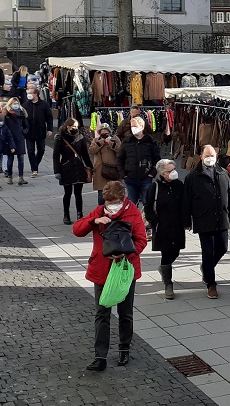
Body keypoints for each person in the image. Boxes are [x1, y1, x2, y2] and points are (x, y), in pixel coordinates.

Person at [73, 180, 147, 371]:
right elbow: (77, 230)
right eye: (108, 202)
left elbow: (141, 240)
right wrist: (93, 221)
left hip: (124, 270)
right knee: (102, 313)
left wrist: (126, 253)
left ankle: (124, 349)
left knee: (125, 313)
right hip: (102, 270)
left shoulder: (132, 213)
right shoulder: (99, 211)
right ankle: (100, 356)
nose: (111, 206)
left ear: (123, 198)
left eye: (114, 201)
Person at [182, 145, 230, 299]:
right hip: (203, 219)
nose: (210, 158)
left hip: (222, 218)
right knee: (208, 252)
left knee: (223, 248)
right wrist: (186, 221)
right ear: (201, 157)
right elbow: (186, 201)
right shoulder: (192, 177)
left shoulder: (223, 173)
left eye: (212, 155)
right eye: (207, 155)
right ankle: (211, 284)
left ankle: (206, 268)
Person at [144, 158, 188, 300]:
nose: (174, 172)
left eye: (174, 169)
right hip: (162, 226)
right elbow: (148, 207)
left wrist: (186, 221)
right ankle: (168, 283)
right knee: (166, 254)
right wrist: (154, 222)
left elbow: (185, 203)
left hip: (177, 225)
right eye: (170, 171)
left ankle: (164, 268)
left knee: (176, 252)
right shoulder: (155, 187)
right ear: (163, 173)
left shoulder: (179, 185)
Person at [53, 118, 92, 225]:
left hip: (78, 168)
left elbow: (85, 154)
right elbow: (56, 156)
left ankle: (80, 213)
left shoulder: (80, 137)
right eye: (73, 126)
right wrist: (57, 171)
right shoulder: (60, 138)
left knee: (78, 193)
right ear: (67, 126)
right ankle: (66, 215)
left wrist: (90, 167)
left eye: (76, 126)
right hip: (66, 167)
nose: (75, 128)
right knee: (68, 193)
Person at [116, 115, 160, 209]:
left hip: (145, 177)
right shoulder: (126, 141)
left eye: (135, 126)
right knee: (131, 204)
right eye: (131, 126)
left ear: (142, 127)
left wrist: (152, 173)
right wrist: (123, 174)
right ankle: (133, 222)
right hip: (130, 178)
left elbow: (157, 159)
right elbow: (120, 159)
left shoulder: (151, 141)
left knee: (147, 203)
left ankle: (147, 222)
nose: (133, 128)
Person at [23, 84, 52, 178]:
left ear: (36, 94)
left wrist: (50, 129)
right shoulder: (25, 104)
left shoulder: (44, 104)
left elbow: (49, 117)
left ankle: (35, 164)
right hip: (29, 131)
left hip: (40, 131)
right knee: (30, 150)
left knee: (41, 150)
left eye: (31, 93)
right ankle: (34, 169)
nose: (29, 95)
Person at [89, 122, 122, 206]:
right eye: (102, 133)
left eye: (106, 133)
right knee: (101, 195)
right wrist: (101, 142)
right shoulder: (96, 140)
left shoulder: (115, 139)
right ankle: (101, 212)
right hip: (100, 172)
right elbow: (91, 151)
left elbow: (121, 150)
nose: (104, 135)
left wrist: (110, 143)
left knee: (115, 192)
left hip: (113, 170)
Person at [2, 97, 29, 185]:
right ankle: (10, 176)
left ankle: (21, 177)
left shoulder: (22, 114)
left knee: (21, 158)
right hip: (10, 139)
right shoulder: (6, 115)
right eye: (13, 103)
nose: (15, 105)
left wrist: (23, 132)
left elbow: (26, 126)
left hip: (20, 138)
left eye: (16, 103)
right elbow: (4, 127)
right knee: (10, 159)